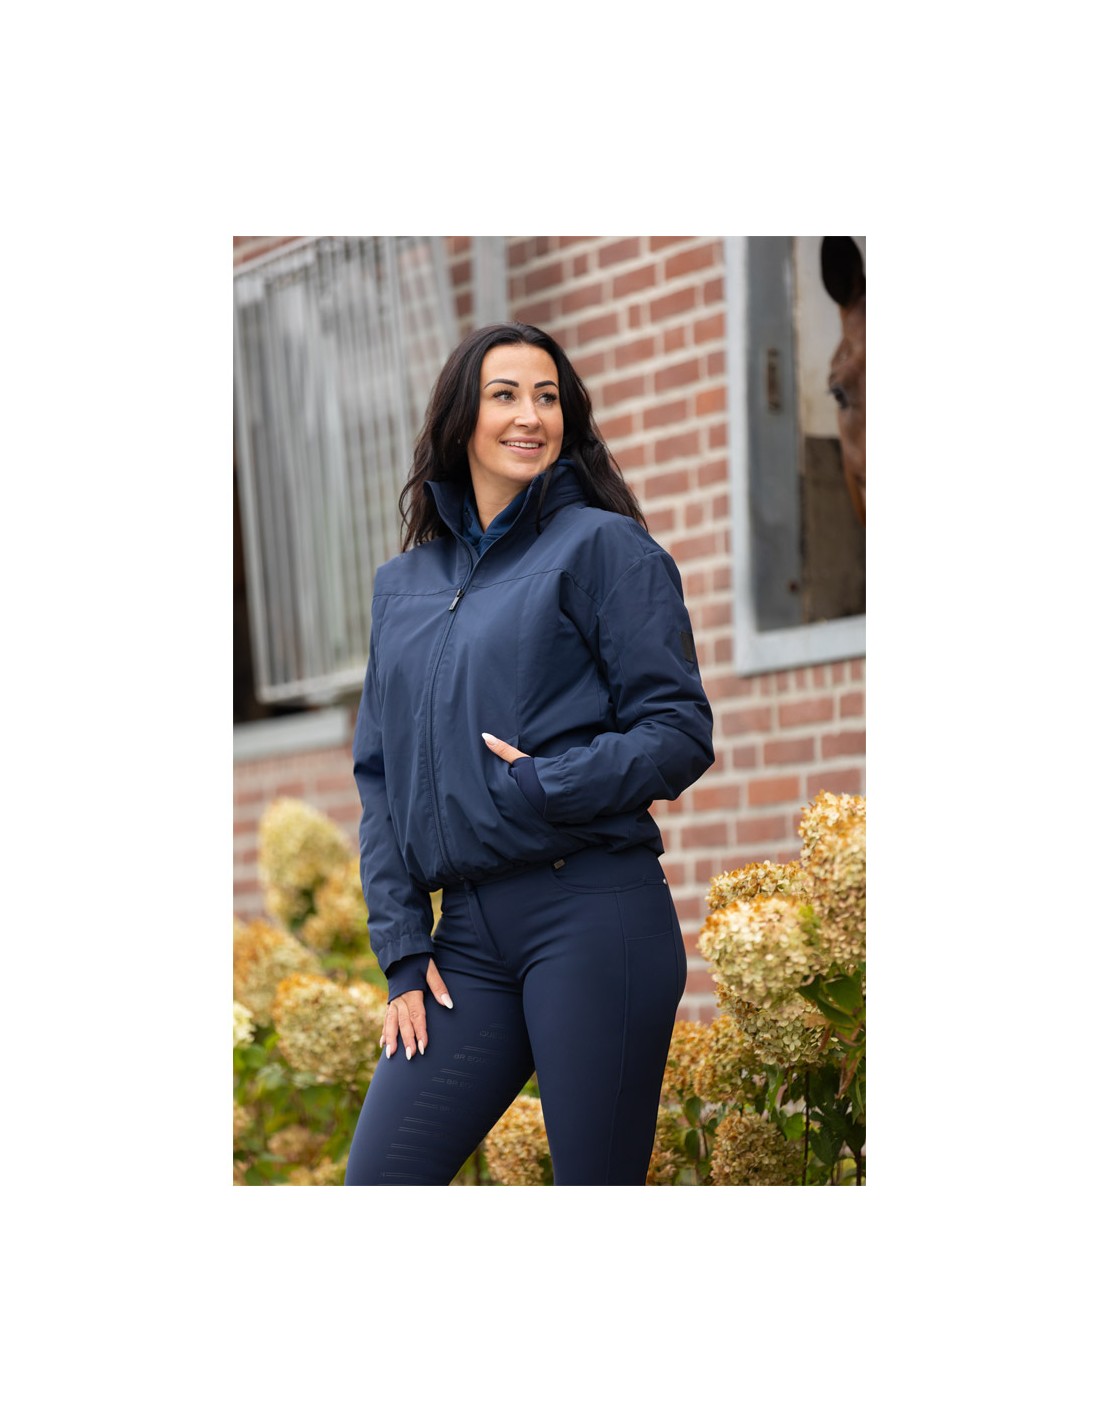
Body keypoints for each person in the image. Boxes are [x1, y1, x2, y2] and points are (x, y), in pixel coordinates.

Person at [343, 321, 714, 1186]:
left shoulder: (603, 548)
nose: (530, 416)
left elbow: (678, 730)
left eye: (547, 397)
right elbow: (381, 779)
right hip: (466, 943)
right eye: (505, 395)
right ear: (461, 418)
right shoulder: (404, 587)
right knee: (380, 1182)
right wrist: (404, 950)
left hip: (591, 914)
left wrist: (544, 783)